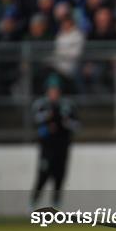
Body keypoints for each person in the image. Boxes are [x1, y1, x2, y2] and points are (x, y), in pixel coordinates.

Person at [31, 74, 79, 208]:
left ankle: (56, 206)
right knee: (43, 176)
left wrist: (65, 123)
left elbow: (76, 125)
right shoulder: (41, 105)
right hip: (47, 147)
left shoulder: (68, 105)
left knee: (59, 177)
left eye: (56, 90)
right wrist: (48, 119)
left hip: (62, 146)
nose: (54, 93)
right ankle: (33, 204)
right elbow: (35, 121)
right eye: (52, 90)